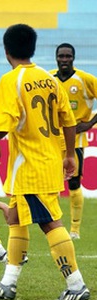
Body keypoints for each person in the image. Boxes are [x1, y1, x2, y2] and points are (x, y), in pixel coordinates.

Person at [0, 24, 89, 300]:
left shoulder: (11, 80)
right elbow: (69, 119)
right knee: (15, 218)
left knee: (50, 223)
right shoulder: (49, 78)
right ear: (33, 48)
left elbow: (5, 121)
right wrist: (68, 155)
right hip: (48, 160)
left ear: (7, 52)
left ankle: (76, 285)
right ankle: (8, 284)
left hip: (31, 166)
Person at [50, 43, 97, 240]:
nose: (64, 60)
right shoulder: (48, 79)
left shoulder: (85, 79)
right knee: (50, 184)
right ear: (56, 58)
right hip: (51, 140)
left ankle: (75, 229)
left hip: (75, 140)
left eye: (68, 56)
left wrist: (89, 123)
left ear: (74, 58)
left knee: (74, 183)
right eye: (61, 56)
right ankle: (53, 225)